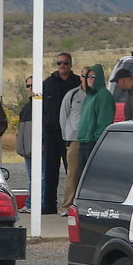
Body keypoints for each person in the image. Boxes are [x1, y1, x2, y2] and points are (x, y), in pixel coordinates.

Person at [40, 54, 80, 214]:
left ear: (70, 64)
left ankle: (72, 203)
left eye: (65, 63)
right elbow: (40, 107)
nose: (62, 65)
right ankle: (49, 204)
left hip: (70, 133)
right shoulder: (47, 84)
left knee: (72, 169)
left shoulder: (77, 83)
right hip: (51, 132)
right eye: (59, 63)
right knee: (50, 169)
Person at [58, 68, 89, 215]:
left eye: (91, 76)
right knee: (73, 173)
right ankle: (67, 206)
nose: (88, 79)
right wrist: (67, 137)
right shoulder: (72, 95)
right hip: (75, 140)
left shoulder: (98, 96)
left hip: (92, 139)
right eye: (85, 76)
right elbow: (63, 116)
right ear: (81, 77)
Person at [76, 64, 114, 176]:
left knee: (92, 176)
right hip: (83, 141)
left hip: (93, 143)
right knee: (82, 177)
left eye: (93, 76)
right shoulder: (90, 95)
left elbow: (104, 121)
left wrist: (96, 139)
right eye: (88, 76)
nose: (90, 79)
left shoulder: (103, 95)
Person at [15, 76, 34, 213]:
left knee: (40, 177)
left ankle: (35, 203)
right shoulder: (26, 108)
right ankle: (30, 203)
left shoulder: (44, 106)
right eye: (28, 86)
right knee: (31, 177)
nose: (30, 88)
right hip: (27, 149)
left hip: (41, 150)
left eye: (33, 85)